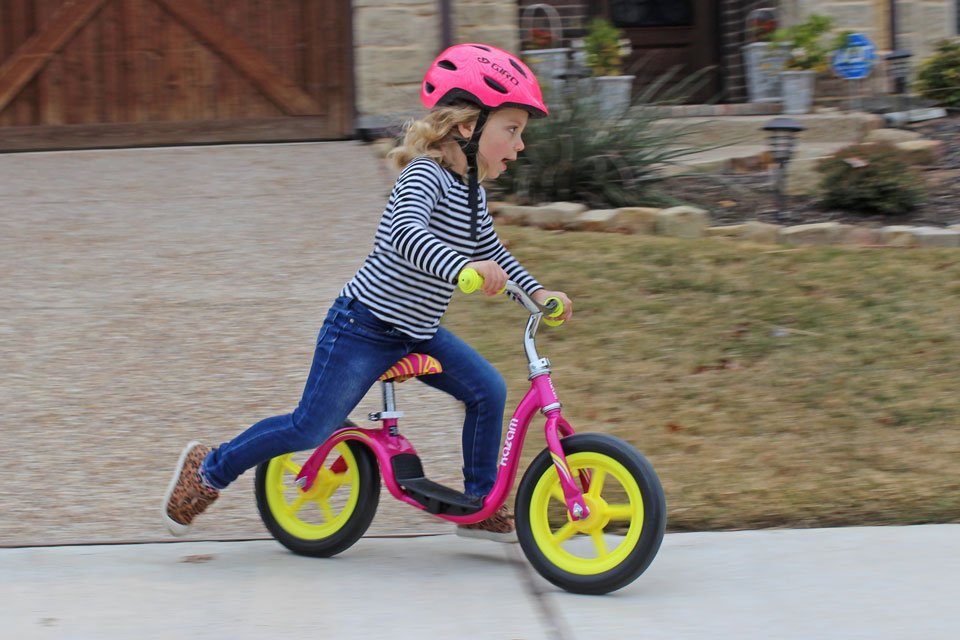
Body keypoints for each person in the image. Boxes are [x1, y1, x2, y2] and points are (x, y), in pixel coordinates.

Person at [163, 43, 574, 542]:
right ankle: (209, 468)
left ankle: (479, 504)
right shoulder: (424, 175)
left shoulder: (472, 193)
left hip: (418, 332)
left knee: (487, 389)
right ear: (469, 127)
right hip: (362, 327)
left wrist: (536, 292)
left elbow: (494, 252)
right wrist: (463, 267)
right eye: (511, 129)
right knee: (310, 427)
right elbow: (405, 234)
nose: (520, 144)